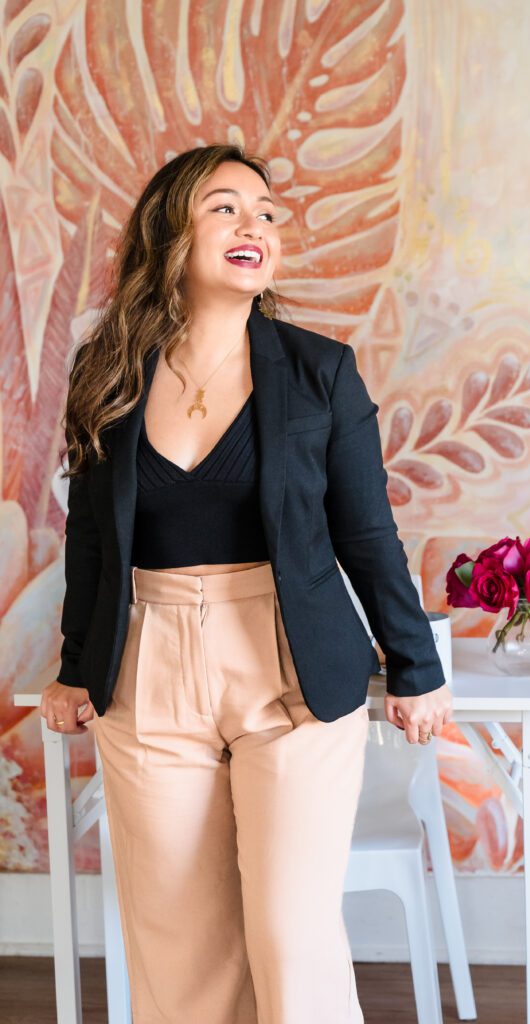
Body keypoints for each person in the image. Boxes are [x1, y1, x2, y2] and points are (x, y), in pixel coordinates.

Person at [40, 144, 452, 1023]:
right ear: (170, 231)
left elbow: (366, 532)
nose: (254, 226)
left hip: (289, 663)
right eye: (225, 207)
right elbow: (90, 536)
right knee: (178, 942)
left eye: (266, 213)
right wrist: (78, 665)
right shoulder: (106, 371)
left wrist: (415, 667)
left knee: (289, 934)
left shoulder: (319, 372)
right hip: (147, 658)